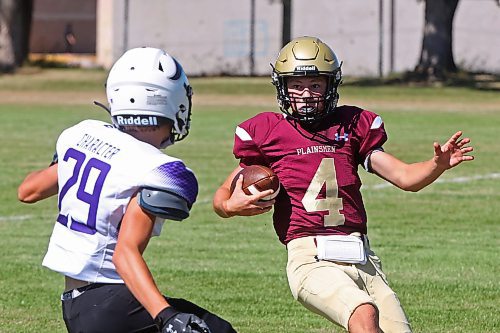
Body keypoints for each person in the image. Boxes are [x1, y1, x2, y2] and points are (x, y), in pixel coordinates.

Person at [213, 36, 474, 333]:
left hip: (363, 259)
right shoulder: (268, 132)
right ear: (282, 88)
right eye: (297, 86)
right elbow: (222, 194)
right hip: (310, 258)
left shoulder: (352, 126)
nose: (306, 94)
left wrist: (436, 165)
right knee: (362, 314)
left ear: (330, 85)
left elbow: (405, 178)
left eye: (315, 85)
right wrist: (228, 205)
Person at [18, 47, 236, 333]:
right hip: (111, 304)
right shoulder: (163, 170)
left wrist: (67, 162)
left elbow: (28, 191)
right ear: (172, 100)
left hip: (75, 303)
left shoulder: (82, 133)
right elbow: (124, 253)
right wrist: (167, 316)